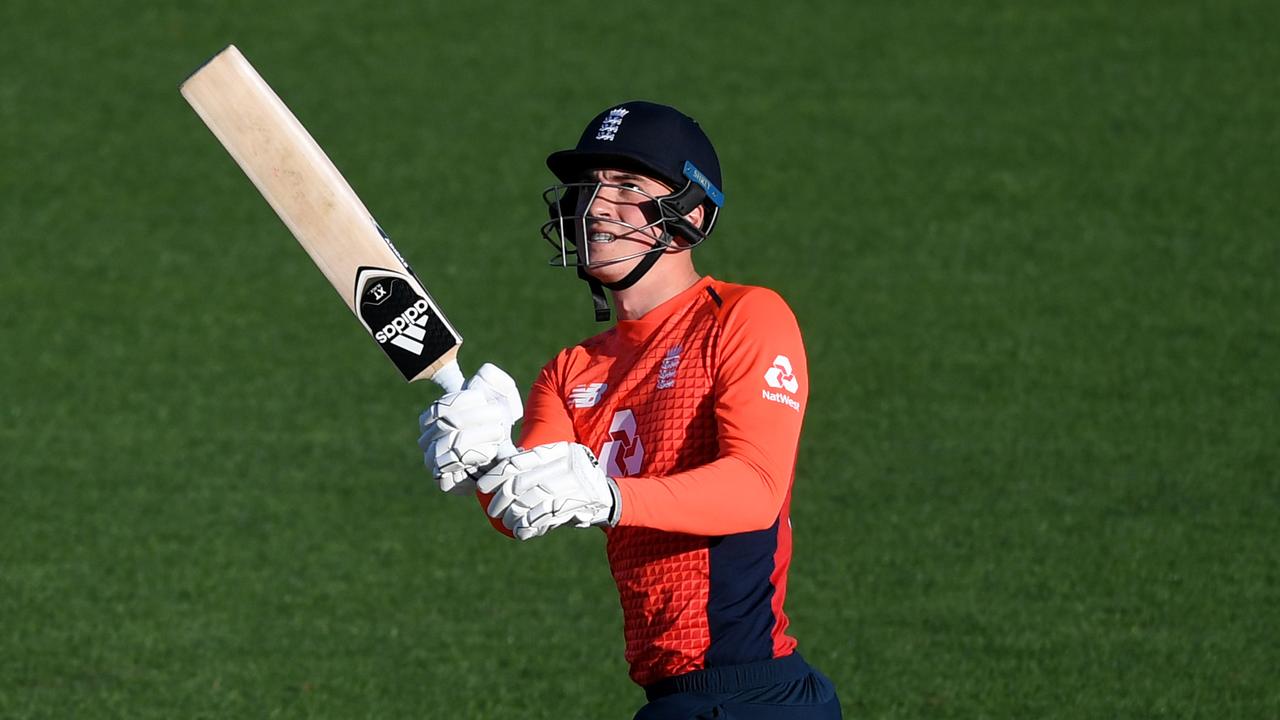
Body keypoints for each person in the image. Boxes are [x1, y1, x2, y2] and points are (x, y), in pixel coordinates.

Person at [418, 101, 842, 719]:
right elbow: (521, 506)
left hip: (758, 696)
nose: (596, 204)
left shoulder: (745, 316)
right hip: (671, 702)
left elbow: (756, 489)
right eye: (588, 187)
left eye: (627, 185)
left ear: (690, 214)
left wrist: (612, 497)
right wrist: (481, 455)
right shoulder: (570, 372)